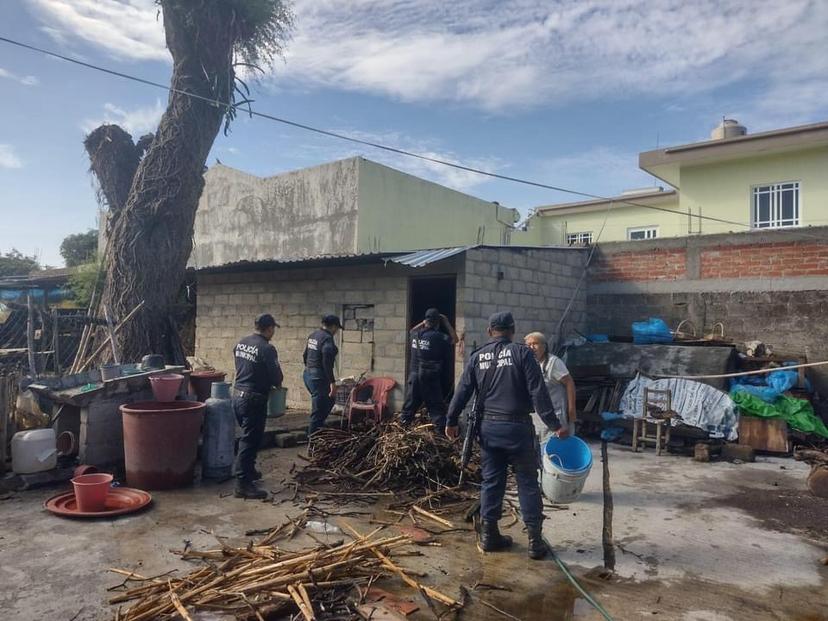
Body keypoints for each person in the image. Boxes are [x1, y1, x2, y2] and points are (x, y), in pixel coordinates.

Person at [446, 311, 568, 560]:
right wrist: (555, 424)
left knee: (492, 481)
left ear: (490, 331)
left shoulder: (477, 356)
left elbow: (462, 391)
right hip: (518, 429)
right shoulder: (523, 353)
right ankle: (535, 541)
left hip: (489, 430)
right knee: (527, 482)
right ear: (512, 331)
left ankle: (490, 535)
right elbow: (538, 392)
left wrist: (450, 420)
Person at [231, 313, 284, 499]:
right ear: (269, 328)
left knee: (248, 437)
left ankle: (249, 471)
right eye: (273, 329)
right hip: (253, 399)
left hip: (237, 395)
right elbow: (277, 377)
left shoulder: (241, 343)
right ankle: (242, 484)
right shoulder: (267, 348)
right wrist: (276, 384)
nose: (273, 332)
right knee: (250, 440)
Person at [399, 308, 457, 433]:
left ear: (425, 321)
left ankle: (401, 431)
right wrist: (446, 321)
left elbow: (412, 330)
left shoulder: (415, 335)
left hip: (414, 378)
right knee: (436, 409)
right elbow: (454, 339)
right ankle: (439, 436)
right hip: (429, 378)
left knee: (409, 408)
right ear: (437, 323)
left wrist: (424, 322)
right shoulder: (439, 337)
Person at [524, 332, 577, 436]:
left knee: (558, 447)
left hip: (557, 415)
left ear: (544, 346)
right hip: (537, 416)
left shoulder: (554, 362)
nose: (532, 347)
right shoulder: (529, 363)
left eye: (535, 343)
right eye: (529, 345)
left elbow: (569, 383)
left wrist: (571, 409)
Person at [303, 314, 342, 436]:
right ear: (334, 326)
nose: (336, 331)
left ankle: (318, 432)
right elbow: (326, 361)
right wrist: (332, 382)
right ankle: (313, 444)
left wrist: (311, 369)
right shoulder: (327, 338)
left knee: (328, 402)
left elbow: (305, 356)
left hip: (308, 375)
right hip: (318, 377)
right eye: (337, 328)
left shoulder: (313, 335)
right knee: (319, 412)